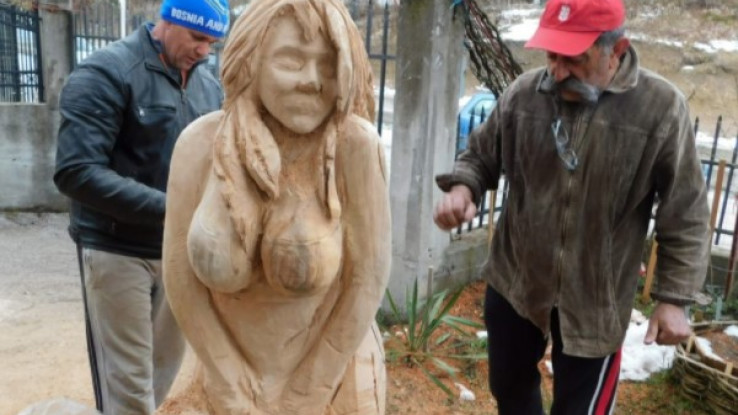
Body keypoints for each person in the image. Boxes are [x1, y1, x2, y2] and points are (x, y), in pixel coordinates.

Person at [433, 0, 710, 413]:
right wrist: (462, 189)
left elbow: (686, 212)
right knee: (509, 391)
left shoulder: (660, 109)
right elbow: (480, 156)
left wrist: (674, 298)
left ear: (616, 51)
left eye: (574, 59)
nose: (558, 71)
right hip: (517, 281)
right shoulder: (524, 94)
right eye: (551, 55)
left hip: (595, 298)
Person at [161, 0, 390, 414]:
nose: (311, 81)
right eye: (291, 60)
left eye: (328, 64)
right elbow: (179, 273)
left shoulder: (354, 147)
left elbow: (367, 280)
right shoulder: (199, 145)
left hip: (333, 376)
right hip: (218, 373)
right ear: (252, 58)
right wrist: (226, 379)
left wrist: (309, 390)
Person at [53, 0, 229, 413]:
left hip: (177, 253)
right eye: (197, 37)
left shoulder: (209, 87)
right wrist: (175, 209)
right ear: (168, 21)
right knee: (128, 386)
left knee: (161, 372)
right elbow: (76, 171)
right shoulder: (107, 72)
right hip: (116, 249)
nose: (204, 51)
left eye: (212, 42)